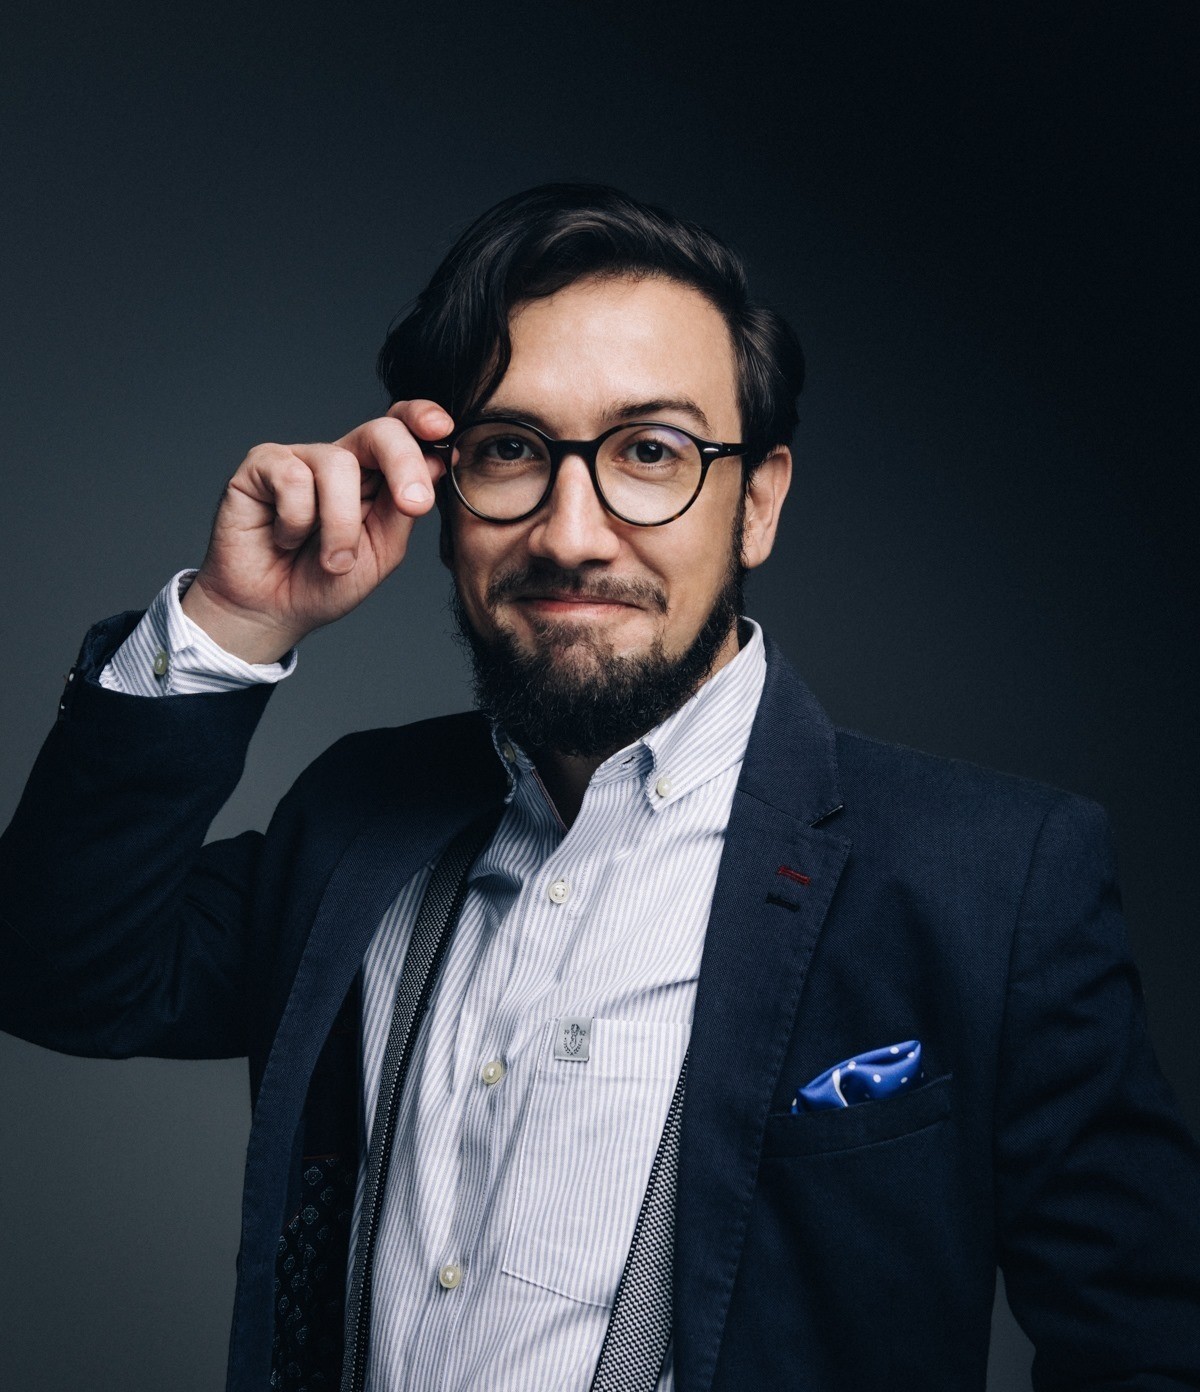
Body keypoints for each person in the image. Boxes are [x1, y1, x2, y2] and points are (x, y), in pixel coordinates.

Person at [2, 183, 1198, 1392]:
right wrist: (231, 621)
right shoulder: (358, 819)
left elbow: (1147, 1344)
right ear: (437, 489)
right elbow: (61, 973)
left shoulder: (992, 881)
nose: (572, 533)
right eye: (510, 450)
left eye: (650, 453)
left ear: (758, 501)